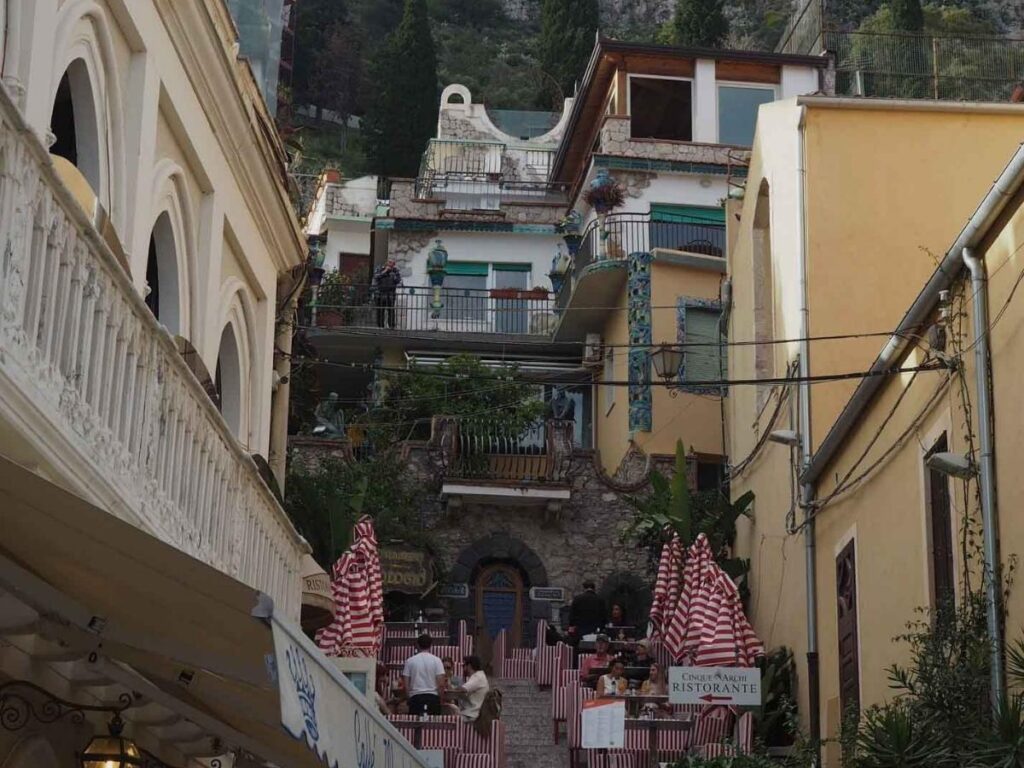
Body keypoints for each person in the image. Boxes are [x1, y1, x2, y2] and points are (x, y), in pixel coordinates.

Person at [402, 633, 445, 716]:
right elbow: (441, 684)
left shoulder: (410, 661)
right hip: (433, 697)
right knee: (433, 726)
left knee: (415, 725)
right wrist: (440, 699)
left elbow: (406, 684)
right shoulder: (437, 661)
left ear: (417, 645)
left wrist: (409, 699)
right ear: (430, 645)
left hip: (415, 697)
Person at [448, 655, 490, 722]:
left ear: (469, 666)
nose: (463, 668)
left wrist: (449, 686)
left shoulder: (478, 677)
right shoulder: (477, 677)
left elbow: (462, 689)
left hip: (472, 714)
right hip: (471, 713)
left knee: (448, 720)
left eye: (464, 665)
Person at [373, 260, 402, 328]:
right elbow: (376, 277)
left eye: (393, 263)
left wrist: (393, 274)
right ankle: (380, 326)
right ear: (386, 263)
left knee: (391, 310)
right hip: (380, 293)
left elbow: (398, 280)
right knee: (380, 310)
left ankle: (391, 326)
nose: (391, 264)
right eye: (390, 262)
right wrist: (385, 271)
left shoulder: (395, 271)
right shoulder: (379, 269)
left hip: (391, 294)